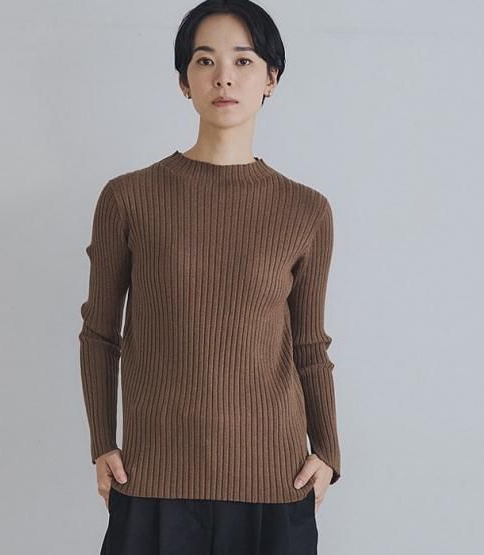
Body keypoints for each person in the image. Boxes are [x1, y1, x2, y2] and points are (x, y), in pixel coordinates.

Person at [78, 1, 341, 553]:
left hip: (275, 480)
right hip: (153, 476)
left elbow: (308, 344)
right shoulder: (128, 197)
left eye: (244, 61)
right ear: (184, 81)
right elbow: (101, 333)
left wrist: (329, 452)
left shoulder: (306, 209)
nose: (224, 76)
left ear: (271, 79)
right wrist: (103, 442)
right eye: (205, 60)